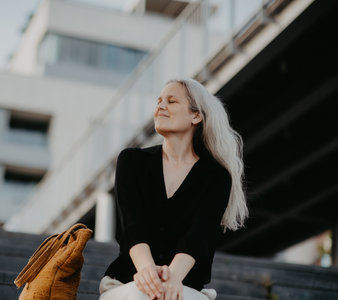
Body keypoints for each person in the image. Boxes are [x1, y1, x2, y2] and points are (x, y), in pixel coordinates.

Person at [98, 78, 249, 300]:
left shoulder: (216, 176)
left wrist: (172, 278)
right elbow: (132, 226)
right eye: (159, 101)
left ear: (196, 116)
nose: (160, 106)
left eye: (171, 101)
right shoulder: (131, 161)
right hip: (127, 282)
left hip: (185, 287)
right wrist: (147, 272)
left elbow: (199, 239)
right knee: (141, 295)